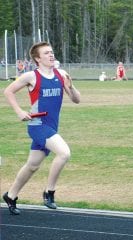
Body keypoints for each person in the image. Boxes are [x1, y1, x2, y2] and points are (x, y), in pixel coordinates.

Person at [2, 41, 81, 215]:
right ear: (37, 59)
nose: (51, 55)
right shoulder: (31, 76)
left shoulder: (61, 74)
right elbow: (8, 91)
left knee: (32, 165)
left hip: (52, 125)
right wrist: (19, 111)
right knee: (64, 153)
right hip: (37, 125)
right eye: (46, 53)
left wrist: (71, 85)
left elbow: (76, 99)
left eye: (52, 52)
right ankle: (49, 193)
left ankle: (11, 195)